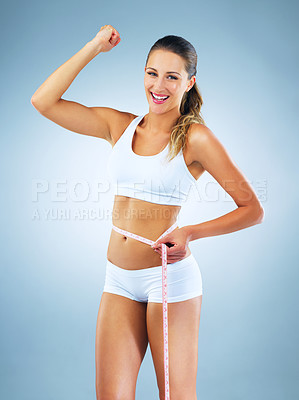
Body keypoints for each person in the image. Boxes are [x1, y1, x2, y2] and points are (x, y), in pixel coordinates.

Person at [31, 24, 264, 400]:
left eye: (172, 76)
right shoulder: (119, 126)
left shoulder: (195, 139)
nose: (159, 85)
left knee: (174, 395)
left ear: (189, 83)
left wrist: (190, 232)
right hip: (118, 279)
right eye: (152, 73)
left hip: (167, 279)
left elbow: (252, 209)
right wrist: (93, 47)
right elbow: (43, 102)